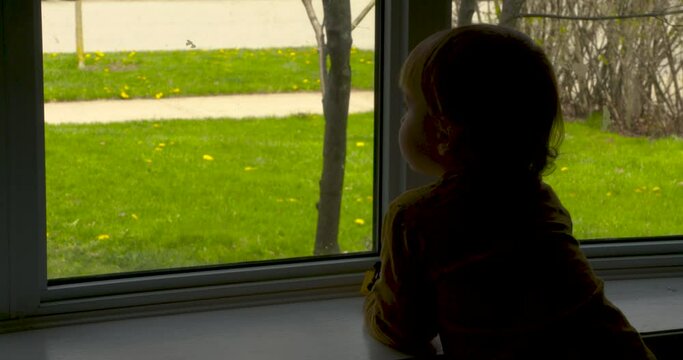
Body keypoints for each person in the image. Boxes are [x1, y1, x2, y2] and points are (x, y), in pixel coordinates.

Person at [363, 24, 656, 359]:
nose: (402, 118)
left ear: (444, 132)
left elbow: (400, 329)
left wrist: (374, 292)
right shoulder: (540, 202)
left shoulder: (415, 219)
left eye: (408, 105)